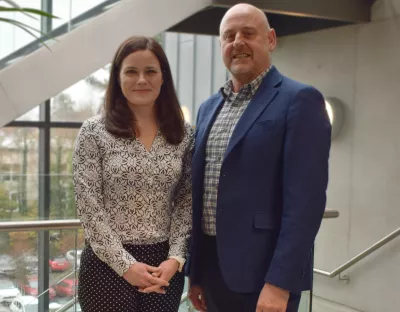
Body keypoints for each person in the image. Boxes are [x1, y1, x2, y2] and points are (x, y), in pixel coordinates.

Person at [188, 3, 331, 312]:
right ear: (221, 46)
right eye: (229, 36)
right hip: (212, 273)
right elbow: (201, 194)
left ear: (271, 40)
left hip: (265, 276)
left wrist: (281, 282)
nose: (237, 41)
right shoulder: (208, 107)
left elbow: (305, 204)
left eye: (248, 33)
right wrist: (195, 272)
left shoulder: (300, 100)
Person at [72, 36, 193, 312]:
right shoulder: (93, 132)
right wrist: (126, 266)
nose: (141, 80)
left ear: (163, 78)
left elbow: (186, 202)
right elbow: (89, 207)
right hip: (106, 265)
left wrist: (175, 259)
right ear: (118, 78)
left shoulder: (184, 136)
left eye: (150, 71)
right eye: (131, 71)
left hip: (163, 268)